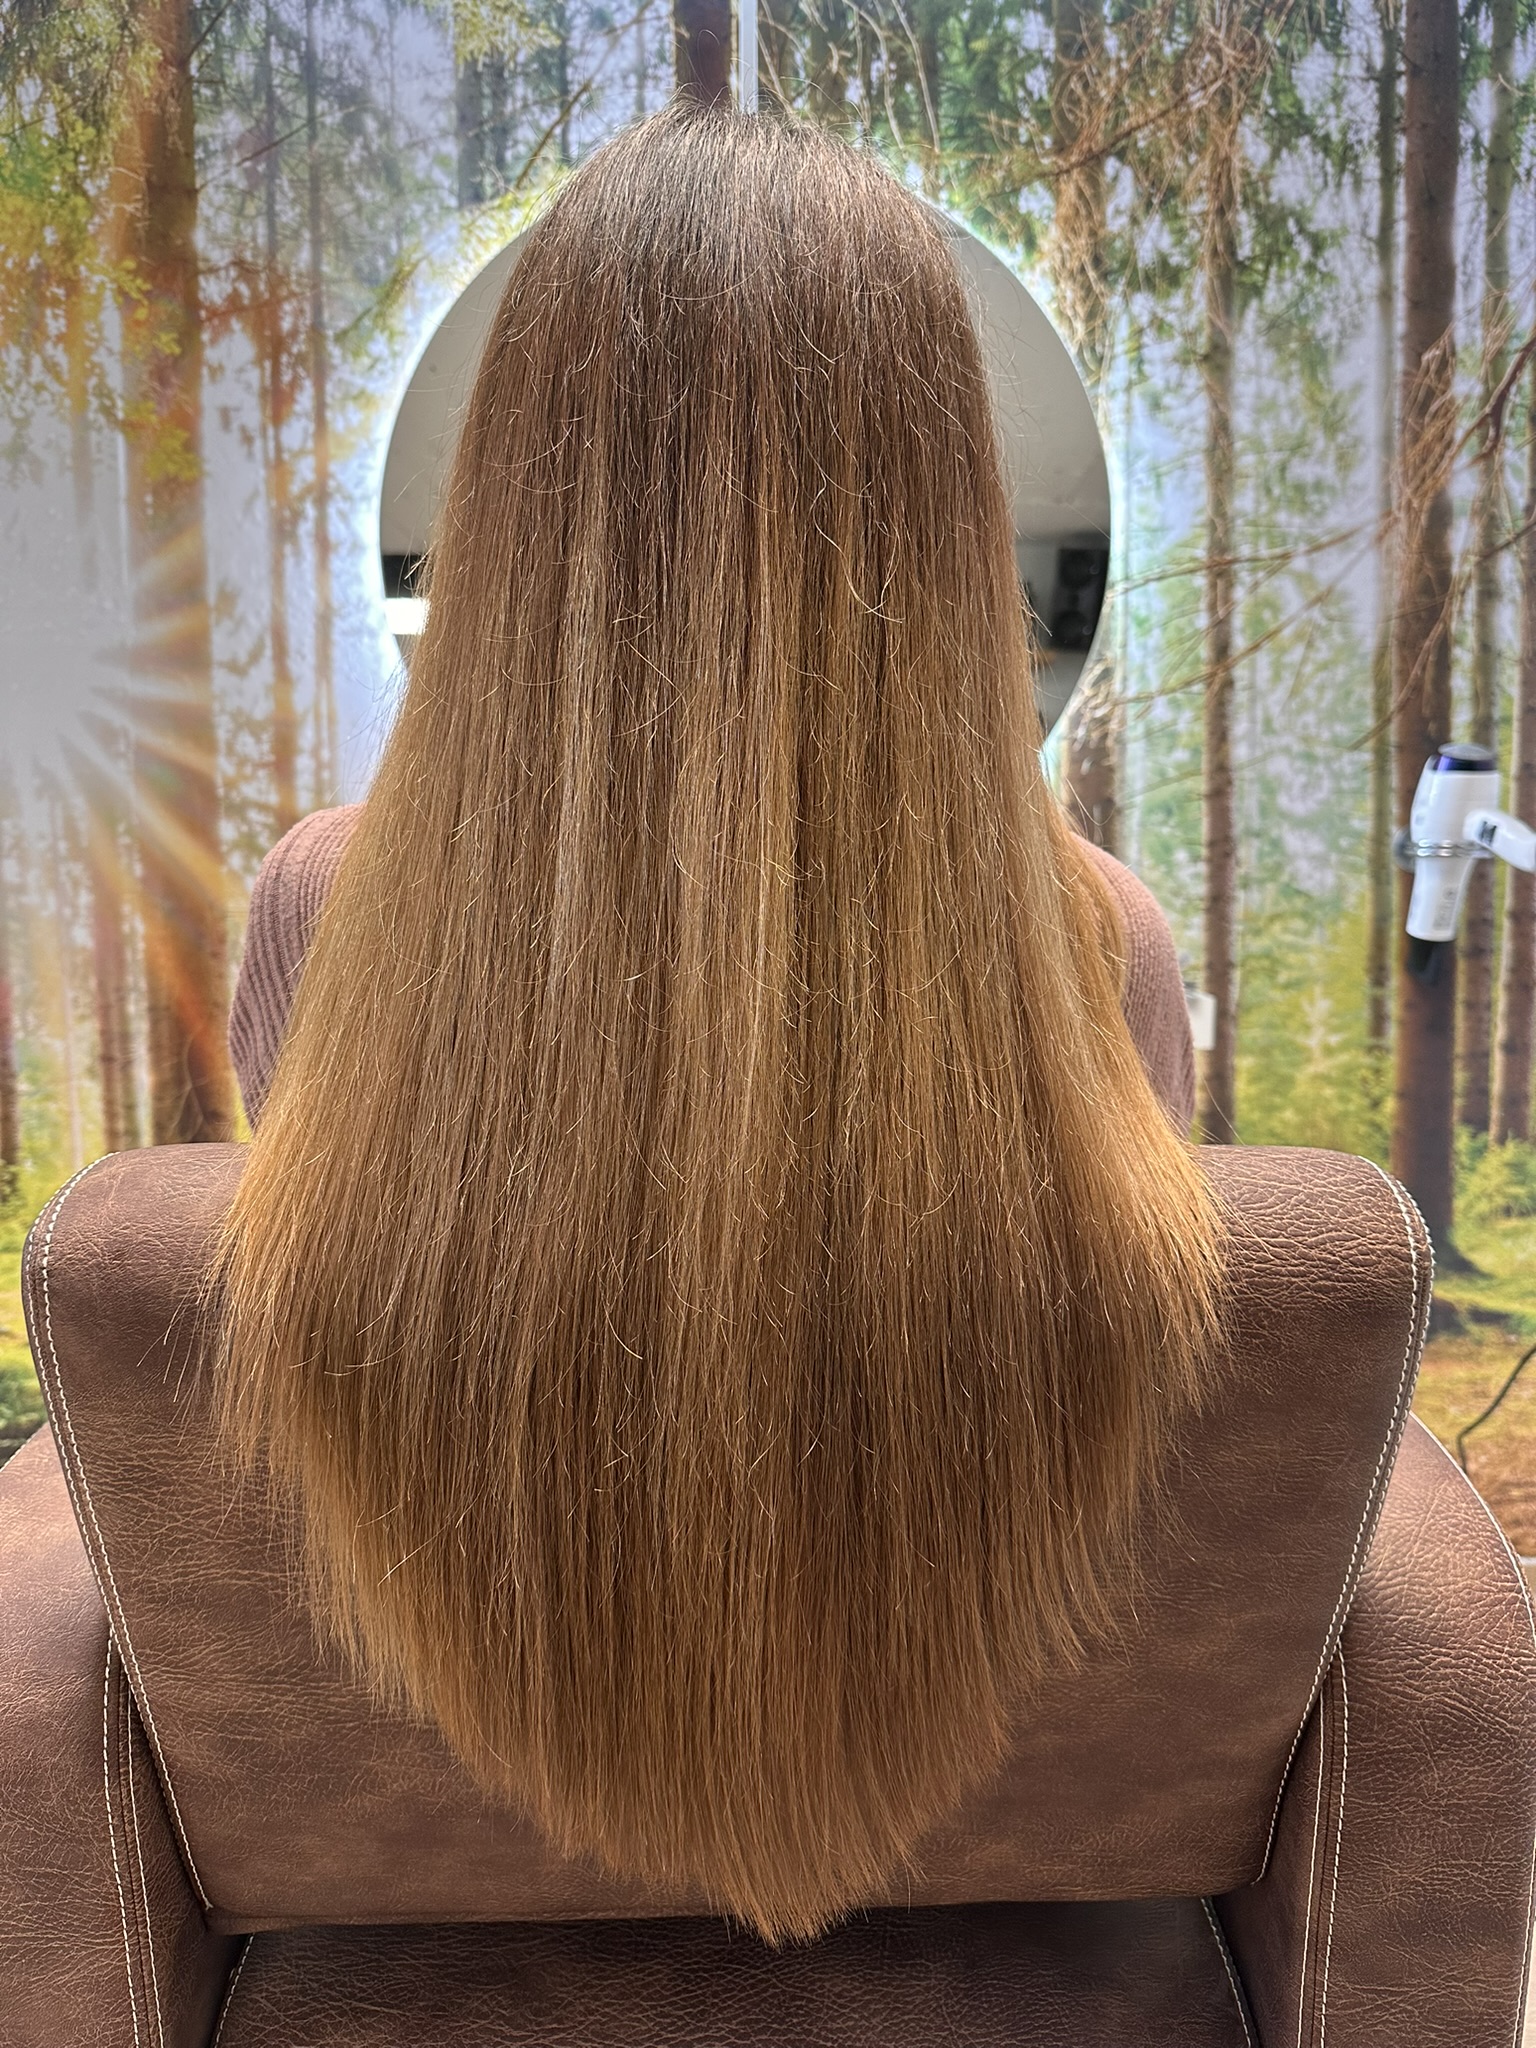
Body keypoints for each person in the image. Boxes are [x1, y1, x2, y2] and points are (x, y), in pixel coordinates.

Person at [216, 102, 1223, 1949]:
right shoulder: (1107, 947)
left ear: (512, 506)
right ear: (949, 523)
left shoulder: (322, 912)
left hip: (442, 1866)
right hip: (986, 1899)